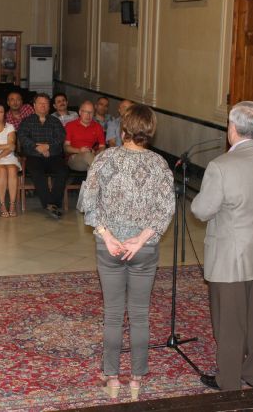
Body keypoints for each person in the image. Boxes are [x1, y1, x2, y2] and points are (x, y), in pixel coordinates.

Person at [191, 101, 253, 391]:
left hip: (233, 257)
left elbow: (202, 210)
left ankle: (229, 381)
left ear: (231, 128)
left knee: (230, 323)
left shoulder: (221, 166)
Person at [78, 103, 174, 401]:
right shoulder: (159, 164)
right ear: (150, 131)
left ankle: (112, 378)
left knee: (113, 315)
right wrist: (142, 237)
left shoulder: (105, 159)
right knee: (140, 315)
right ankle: (135, 380)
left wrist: (107, 236)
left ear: (123, 130)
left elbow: (88, 203)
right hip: (143, 249)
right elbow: (166, 208)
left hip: (110, 247)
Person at [18, 93, 68, 219]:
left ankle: (53, 204)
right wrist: (37, 147)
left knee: (62, 171)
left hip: (53, 155)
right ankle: (50, 204)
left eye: (45, 103)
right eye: (40, 103)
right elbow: (23, 138)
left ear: (49, 106)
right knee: (37, 172)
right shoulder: (27, 121)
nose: (43, 106)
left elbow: (60, 137)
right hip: (34, 156)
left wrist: (47, 146)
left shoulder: (55, 121)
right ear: (34, 106)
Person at [63, 101, 105, 171]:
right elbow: (66, 147)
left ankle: (92, 180)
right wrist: (79, 150)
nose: (88, 115)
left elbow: (102, 146)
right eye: (85, 112)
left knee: (91, 168)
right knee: (88, 156)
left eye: (91, 112)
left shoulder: (97, 127)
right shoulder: (70, 125)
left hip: (92, 158)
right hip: (74, 157)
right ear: (80, 112)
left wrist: (96, 152)